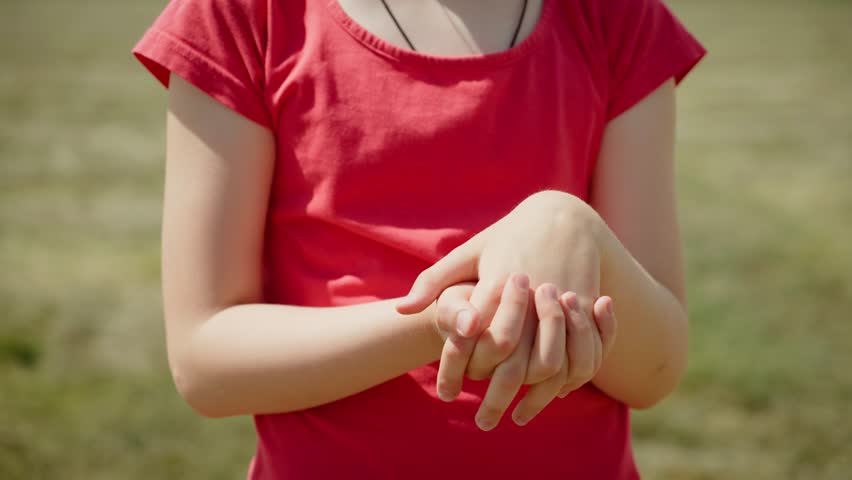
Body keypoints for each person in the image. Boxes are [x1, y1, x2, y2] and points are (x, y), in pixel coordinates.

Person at [133, 0, 705, 478]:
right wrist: (443, 321)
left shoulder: (618, 18)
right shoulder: (244, 15)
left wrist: (572, 226)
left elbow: (653, 372)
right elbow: (206, 364)